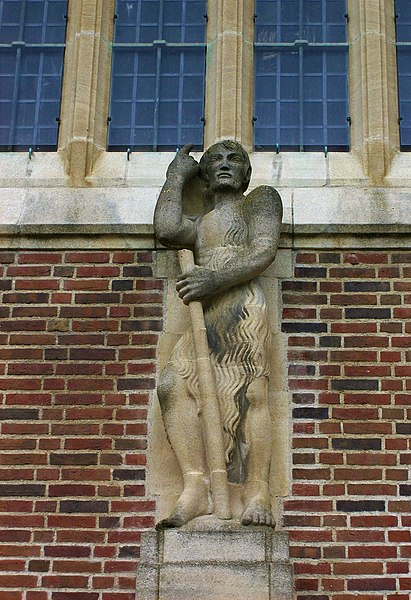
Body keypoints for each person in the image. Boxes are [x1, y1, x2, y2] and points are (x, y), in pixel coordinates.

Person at [154, 140, 282, 528]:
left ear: (246, 172)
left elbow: (264, 250)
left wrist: (214, 278)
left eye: (234, 160)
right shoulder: (200, 223)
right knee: (172, 384)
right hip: (204, 311)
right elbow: (166, 229)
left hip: (241, 304)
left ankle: (256, 487)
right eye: (215, 161)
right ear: (205, 175)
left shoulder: (259, 200)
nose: (225, 165)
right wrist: (176, 177)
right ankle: (197, 484)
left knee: (252, 393)